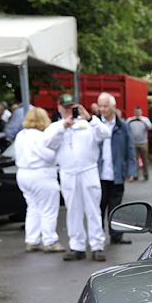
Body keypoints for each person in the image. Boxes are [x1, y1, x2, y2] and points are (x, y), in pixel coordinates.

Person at [44, 94, 111, 262]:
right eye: (65, 108)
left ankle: (97, 246)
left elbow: (105, 133)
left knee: (93, 209)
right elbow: (47, 143)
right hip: (68, 172)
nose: (68, 111)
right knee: (73, 210)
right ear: (59, 109)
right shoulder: (56, 127)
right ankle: (77, 246)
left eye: (71, 108)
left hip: (88, 170)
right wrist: (63, 128)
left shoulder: (87, 124)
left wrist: (90, 118)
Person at [14, 107, 64, 253]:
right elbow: (49, 156)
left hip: (23, 174)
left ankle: (32, 240)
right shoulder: (39, 136)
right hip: (41, 174)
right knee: (48, 209)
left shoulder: (21, 135)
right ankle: (49, 240)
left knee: (33, 208)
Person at [95, 93, 136, 246]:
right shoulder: (94, 124)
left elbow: (130, 149)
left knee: (116, 208)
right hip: (98, 175)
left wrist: (131, 170)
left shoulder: (122, 125)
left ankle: (116, 236)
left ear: (113, 107)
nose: (102, 109)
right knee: (98, 208)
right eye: (100, 106)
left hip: (117, 174)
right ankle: (97, 236)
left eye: (105, 106)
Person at [126, 106, 152, 181]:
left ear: (141, 112)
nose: (137, 113)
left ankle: (146, 174)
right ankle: (136, 174)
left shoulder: (145, 119)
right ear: (134, 112)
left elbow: (150, 127)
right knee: (135, 160)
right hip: (133, 142)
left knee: (144, 159)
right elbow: (126, 128)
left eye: (139, 112)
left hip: (143, 142)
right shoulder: (130, 120)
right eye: (136, 112)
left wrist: (142, 121)